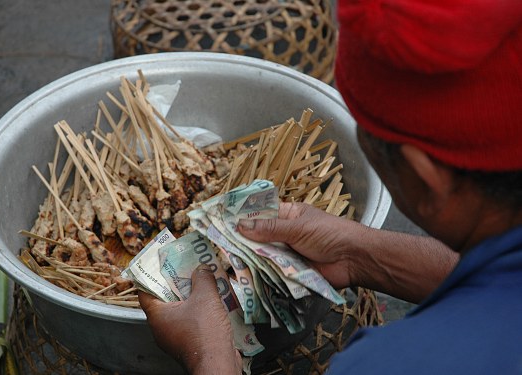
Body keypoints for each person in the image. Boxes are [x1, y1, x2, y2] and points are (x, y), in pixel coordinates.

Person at [138, 0, 522, 373]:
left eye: (369, 141)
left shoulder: (397, 364)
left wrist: (212, 359)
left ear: (426, 180)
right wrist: (359, 254)